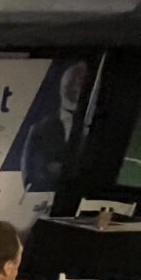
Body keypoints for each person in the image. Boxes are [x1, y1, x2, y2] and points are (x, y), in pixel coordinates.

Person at [21, 61, 89, 193]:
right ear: (62, 87)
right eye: (71, 84)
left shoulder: (94, 128)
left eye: (80, 85)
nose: (75, 89)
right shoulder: (40, 129)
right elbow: (30, 176)